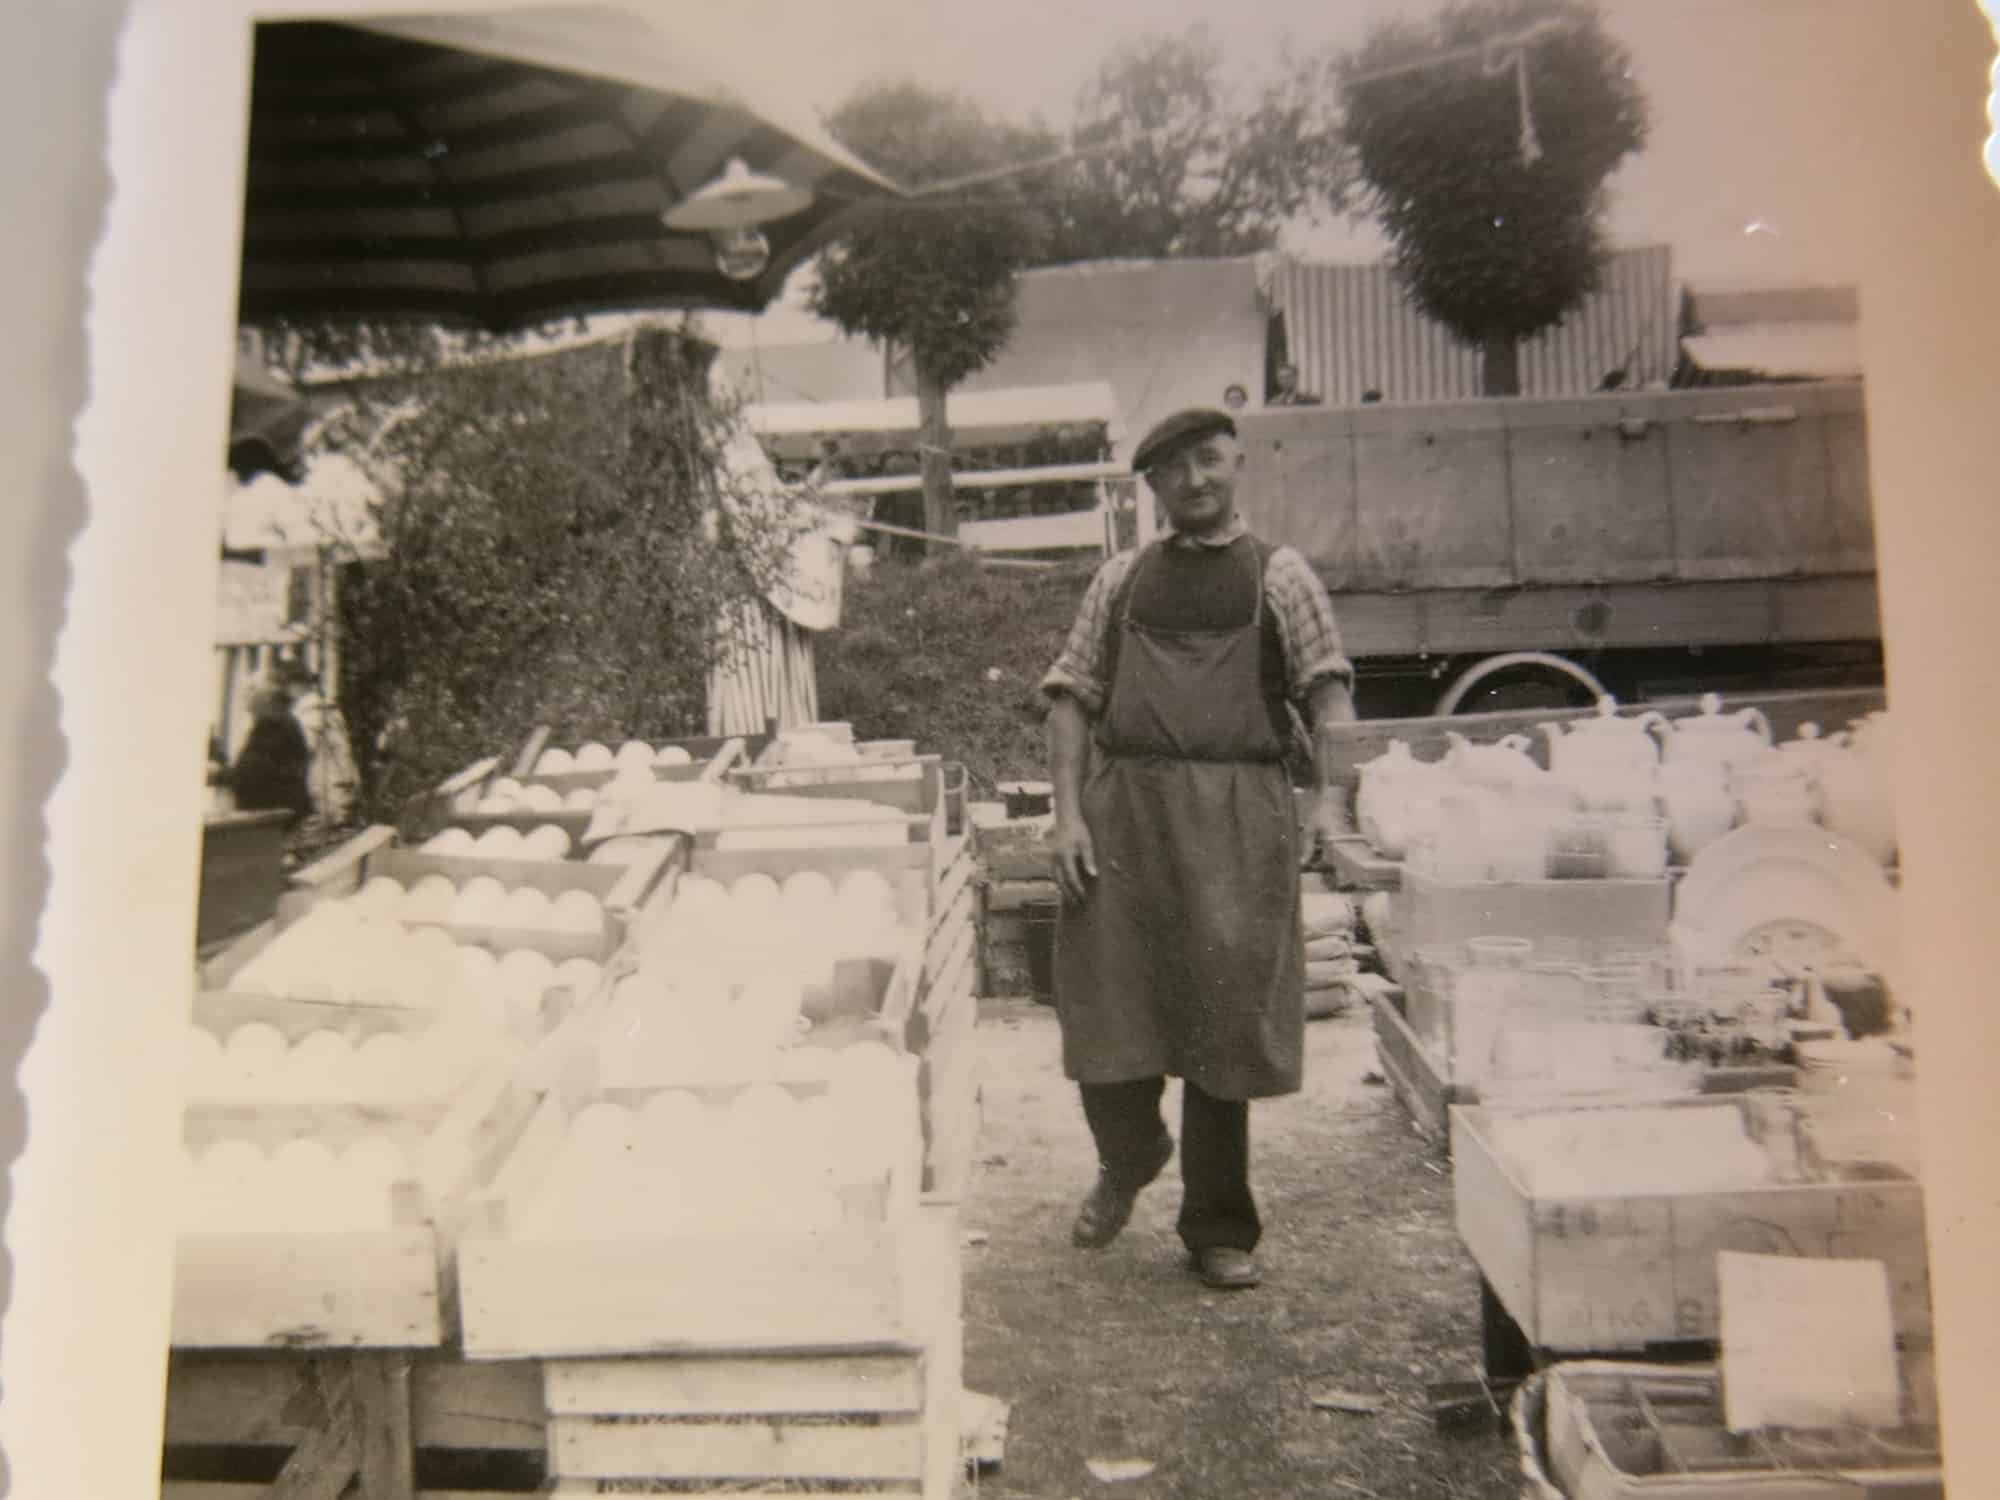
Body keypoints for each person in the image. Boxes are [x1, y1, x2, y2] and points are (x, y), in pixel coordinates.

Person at [1040, 408, 1357, 1291]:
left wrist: (1329, 804)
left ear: (1237, 463)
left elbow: (1329, 702)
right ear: (1152, 487)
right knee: (1104, 998)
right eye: (1173, 470)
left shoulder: (1281, 579)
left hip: (1239, 816)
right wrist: (1067, 815)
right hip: (1126, 812)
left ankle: (1218, 1224)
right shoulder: (1121, 579)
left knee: (1223, 1022)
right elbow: (1070, 698)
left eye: (1209, 461)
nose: (1195, 482)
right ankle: (1130, 1154)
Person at [221, 681, 314, 826]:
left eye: (251, 696)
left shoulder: (272, 723)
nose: (248, 706)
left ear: (266, 699)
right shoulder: (285, 719)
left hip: (273, 811)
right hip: (283, 808)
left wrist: (218, 776)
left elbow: (253, 769)